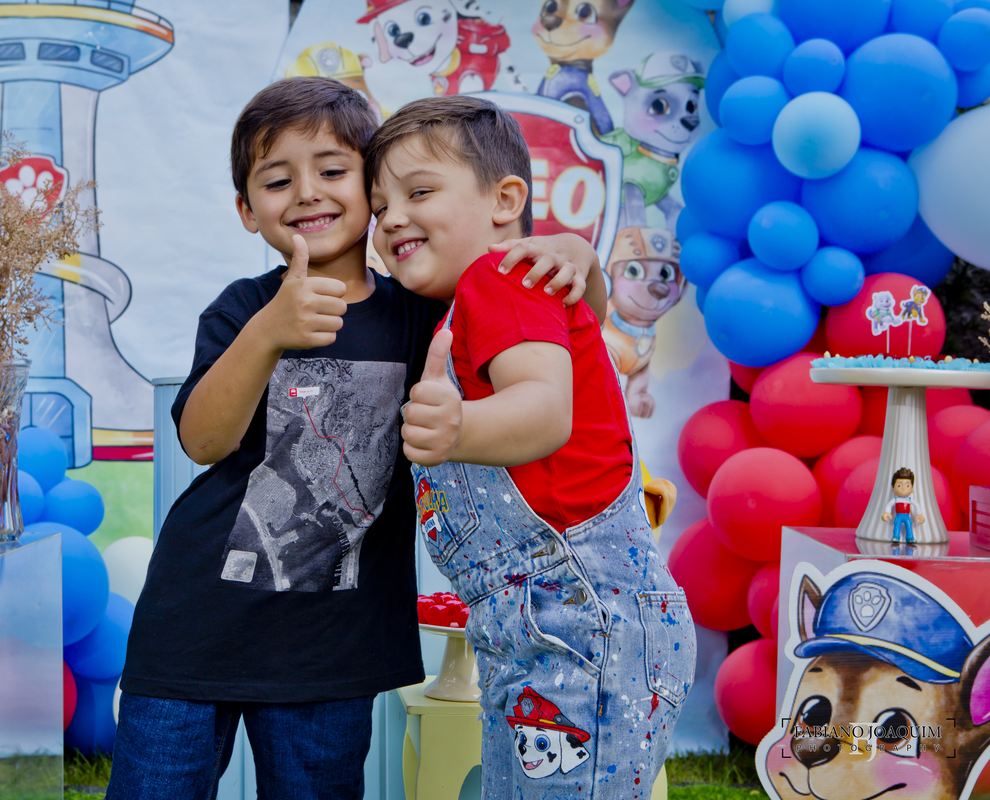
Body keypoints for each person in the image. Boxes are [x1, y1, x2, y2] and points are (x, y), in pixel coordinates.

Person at [107, 78, 604, 800]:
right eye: (277, 180)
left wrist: (575, 255)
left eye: (333, 170)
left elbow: (562, 327)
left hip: (333, 651)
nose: (307, 192)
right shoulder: (244, 308)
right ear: (247, 210)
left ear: (373, 191)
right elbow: (204, 442)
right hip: (193, 629)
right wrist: (269, 332)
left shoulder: (422, 314)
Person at [364, 94, 697, 798]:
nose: (391, 217)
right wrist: (585, 262)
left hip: (583, 622)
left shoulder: (498, 278)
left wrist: (460, 428)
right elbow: (585, 324)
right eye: (379, 205)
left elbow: (546, 411)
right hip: (545, 629)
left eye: (418, 192)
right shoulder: (487, 295)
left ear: (506, 199)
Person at [882, 467, 924, 544]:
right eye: (899, 486)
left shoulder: (909, 500)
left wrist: (919, 514)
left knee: (909, 525)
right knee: (897, 525)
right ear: (893, 489)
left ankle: (910, 537)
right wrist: (887, 512)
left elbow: (917, 505)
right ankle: (896, 537)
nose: (903, 489)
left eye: (907, 486)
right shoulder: (896, 499)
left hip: (907, 516)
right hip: (898, 515)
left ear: (912, 490)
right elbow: (889, 505)